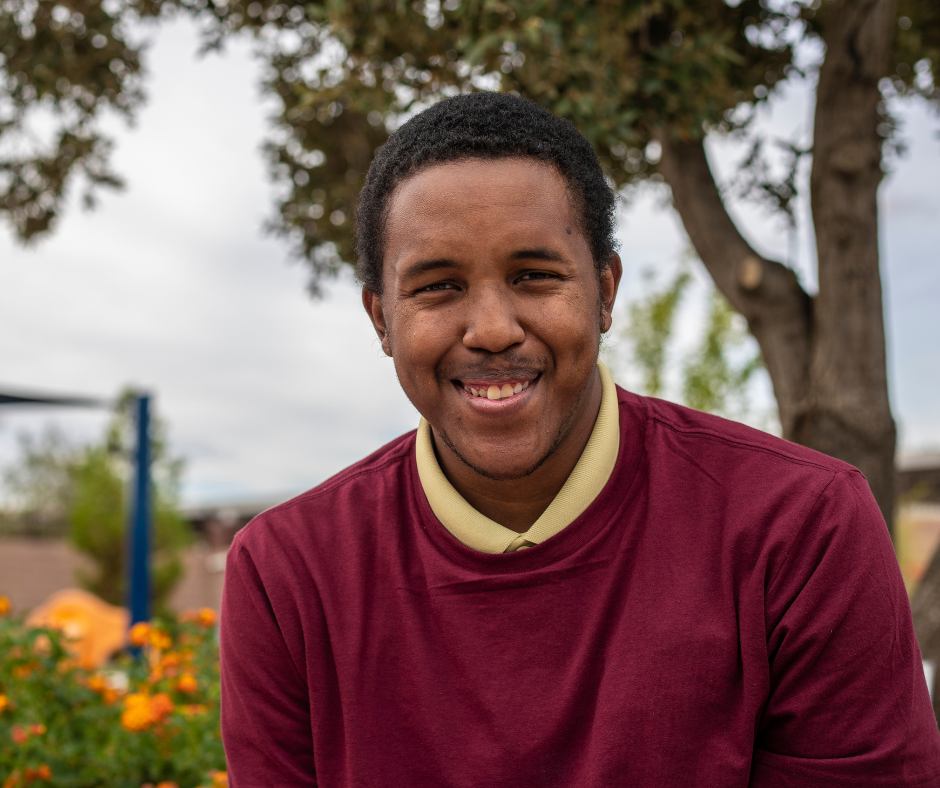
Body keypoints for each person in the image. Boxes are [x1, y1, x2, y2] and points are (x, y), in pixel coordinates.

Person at [219, 92, 940, 787]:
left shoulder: (802, 527)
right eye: (438, 286)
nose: (493, 328)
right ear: (381, 318)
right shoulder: (289, 577)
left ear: (606, 292)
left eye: (535, 275)